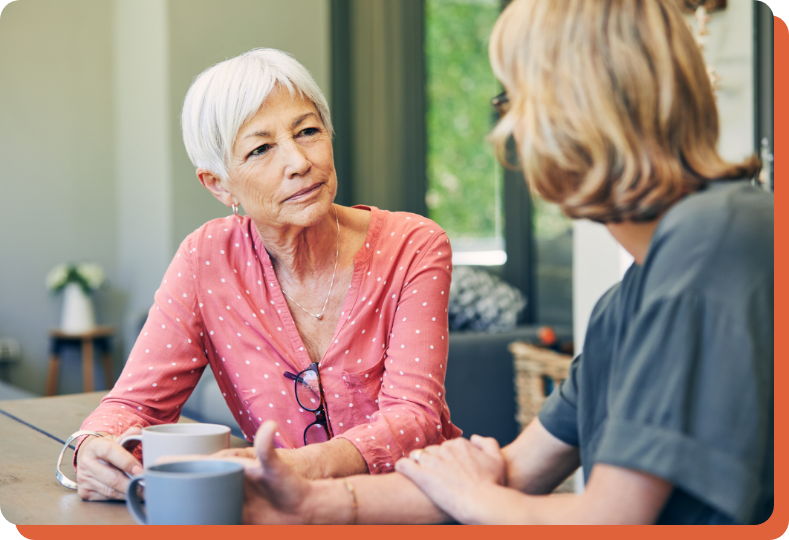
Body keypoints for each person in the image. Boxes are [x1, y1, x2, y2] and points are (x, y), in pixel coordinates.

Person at [230, 0, 773, 525]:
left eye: (514, 100)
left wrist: (473, 494)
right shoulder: (628, 301)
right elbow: (517, 471)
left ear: (583, 107)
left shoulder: (715, 238)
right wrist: (302, 503)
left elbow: (609, 517)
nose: (507, 132)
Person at [72, 48, 462, 501]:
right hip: (288, 515)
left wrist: (292, 466)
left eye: (308, 131)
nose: (299, 161)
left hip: (416, 506)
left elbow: (415, 417)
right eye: (261, 148)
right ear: (218, 184)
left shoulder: (413, 244)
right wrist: (92, 449)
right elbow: (134, 404)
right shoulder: (207, 259)